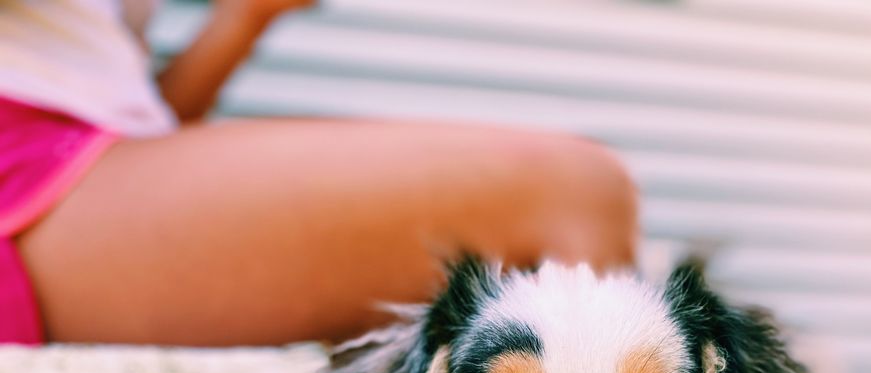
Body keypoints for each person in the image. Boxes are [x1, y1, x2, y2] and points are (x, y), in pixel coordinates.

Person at [0, 0, 638, 347]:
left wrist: (245, 19)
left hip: (62, 194)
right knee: (571, 193)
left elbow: (127, 124)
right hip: (25, 192)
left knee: (569, 205)